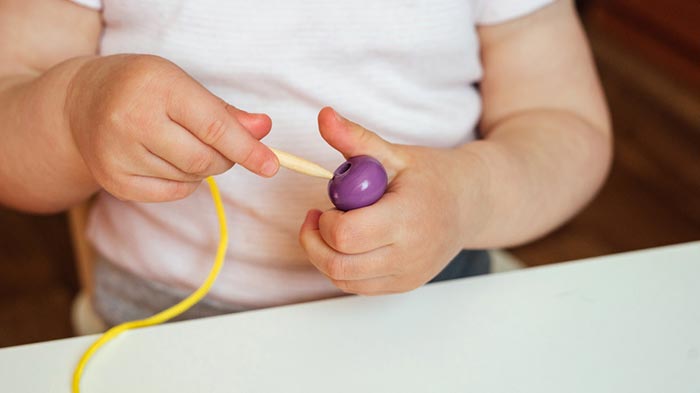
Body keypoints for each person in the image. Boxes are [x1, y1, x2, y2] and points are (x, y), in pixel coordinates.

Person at [0, 0, 611, 326]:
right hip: (171, 323)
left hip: (437, 304)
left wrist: (465, 197)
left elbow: (566, 126)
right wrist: (75, 109)